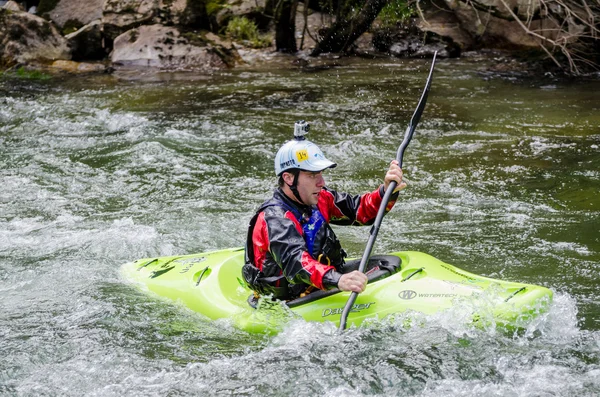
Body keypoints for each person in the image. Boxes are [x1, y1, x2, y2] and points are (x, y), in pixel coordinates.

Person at [242, 121, 406, 301]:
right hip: (287, 301)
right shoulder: (274, 219)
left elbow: (361, 211)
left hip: (320, 286)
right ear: (288, 178)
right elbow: (296, 263)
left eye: (320, 174)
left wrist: (386, 191)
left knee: (387, 265)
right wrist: (338, 279)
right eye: (312, 175)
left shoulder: (320, 198)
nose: (321, 182)